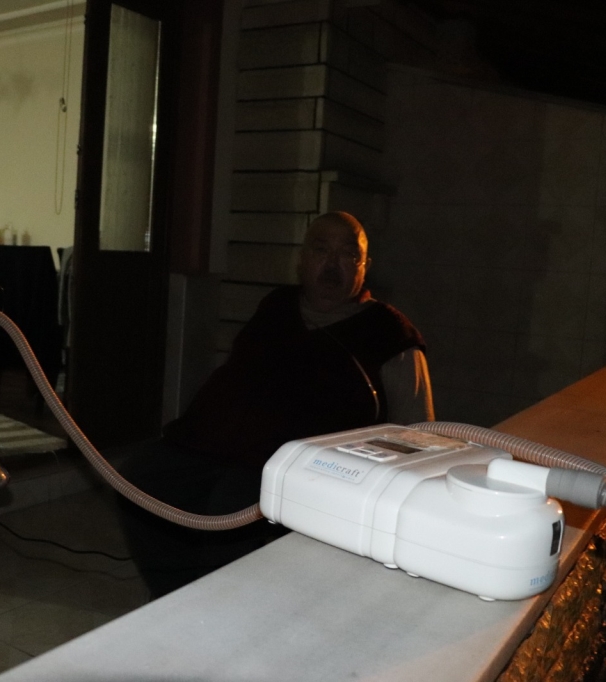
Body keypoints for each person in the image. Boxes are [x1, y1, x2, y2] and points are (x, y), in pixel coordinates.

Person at [118, 211, 433, 598]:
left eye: (348, 254)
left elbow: (418, 435)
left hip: (301, 469)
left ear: (364, 266)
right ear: (302, 260)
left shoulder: (390, 334)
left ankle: (216, 606)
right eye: (321, 250)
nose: (332, 264)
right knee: (141, 477)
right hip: (220, 445)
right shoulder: (277, 307)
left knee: (230, 502)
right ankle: (174, 594)